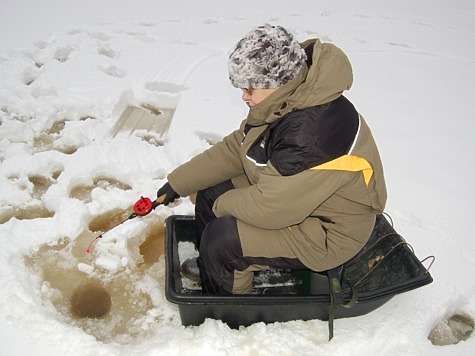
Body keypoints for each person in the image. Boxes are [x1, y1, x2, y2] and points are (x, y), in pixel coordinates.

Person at [156, 24, 387, 294]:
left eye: (251, 87)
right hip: (301, 203)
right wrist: (178, 183)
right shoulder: (289, 100)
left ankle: (225, 307)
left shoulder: (312, 133)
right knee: (210, 193)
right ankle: (213, 266)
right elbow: (237, 148)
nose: (244, 96)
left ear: (278, 83)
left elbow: (271, 208)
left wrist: (221, 207)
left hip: (329, 231)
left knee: (222, 241)